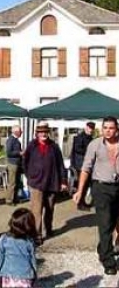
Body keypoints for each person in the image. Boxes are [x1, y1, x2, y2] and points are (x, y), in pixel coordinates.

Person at [73, 116, 119, 275]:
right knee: (105, 223)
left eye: (111, 128)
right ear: (101, 128)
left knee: (113, 222)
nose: (108, 131)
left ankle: (103, 248)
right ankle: (109, 261)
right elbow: (85, 168)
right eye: (105, 127)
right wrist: (80, 191)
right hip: (101, 187)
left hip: (118, 187)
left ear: (116, 129)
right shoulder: (95, 144)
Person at [24, 121, 67, 246]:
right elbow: (25, 162)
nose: (43, 134)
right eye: (41, 132)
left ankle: (48, 228)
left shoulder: (54, 146)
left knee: (50, 209)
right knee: (36, 210)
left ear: (48, 133)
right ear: (37, 133)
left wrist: (63, 181)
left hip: (52, 182)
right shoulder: (32, 146)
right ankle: (36, 235)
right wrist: (30, 177)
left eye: (45, 132)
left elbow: (60, 164)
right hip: (36, 183)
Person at [0, 208, 37, 288]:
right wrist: (34, 275)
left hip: (7, 276)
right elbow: (32, 260)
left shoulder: (4, 239)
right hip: (25, 276)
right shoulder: (29, 241)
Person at [70, 121, 96, 211]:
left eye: (92, 129)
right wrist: (89, 151)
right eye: (89, 128)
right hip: (80, 165)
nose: (91, 130)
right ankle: (80, 203)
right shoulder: (79, 137)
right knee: (82, 185)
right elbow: (77, 149)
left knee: (86, 184)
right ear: (86, 127)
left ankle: (83, 202)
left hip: (87, 165)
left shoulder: (91, 138)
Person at [5, 125, 23, 205]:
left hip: (17, 163)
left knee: (17, 182)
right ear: (16, 132)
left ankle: (15, 198)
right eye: (20, 131)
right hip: (12, 163)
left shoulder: (16, 140)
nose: (21, 132)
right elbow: (9, 152)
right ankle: (9, 200)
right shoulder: (11, 140)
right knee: (12, 182)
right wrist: (19, 153)